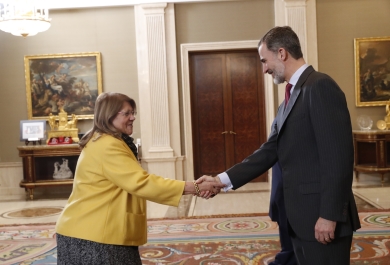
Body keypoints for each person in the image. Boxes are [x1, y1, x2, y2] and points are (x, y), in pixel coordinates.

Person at [198, 26, 361, 265]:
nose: (264, 68)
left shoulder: (320, 86)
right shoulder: (289, 99)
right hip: (300, 218)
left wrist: (329, 215)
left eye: (265, 60)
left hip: (322, 218)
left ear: (282, 53)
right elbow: (269, 151)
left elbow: (338, 159)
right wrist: (221, 180)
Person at [55, 92, 225, 265]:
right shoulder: (107, 145)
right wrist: (194, 187)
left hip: (97, 232)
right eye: (127, 113)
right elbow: (142, 183)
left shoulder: (108, 141)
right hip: (94, 236)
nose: (133, 117)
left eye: (133, 112)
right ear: (109, 115)